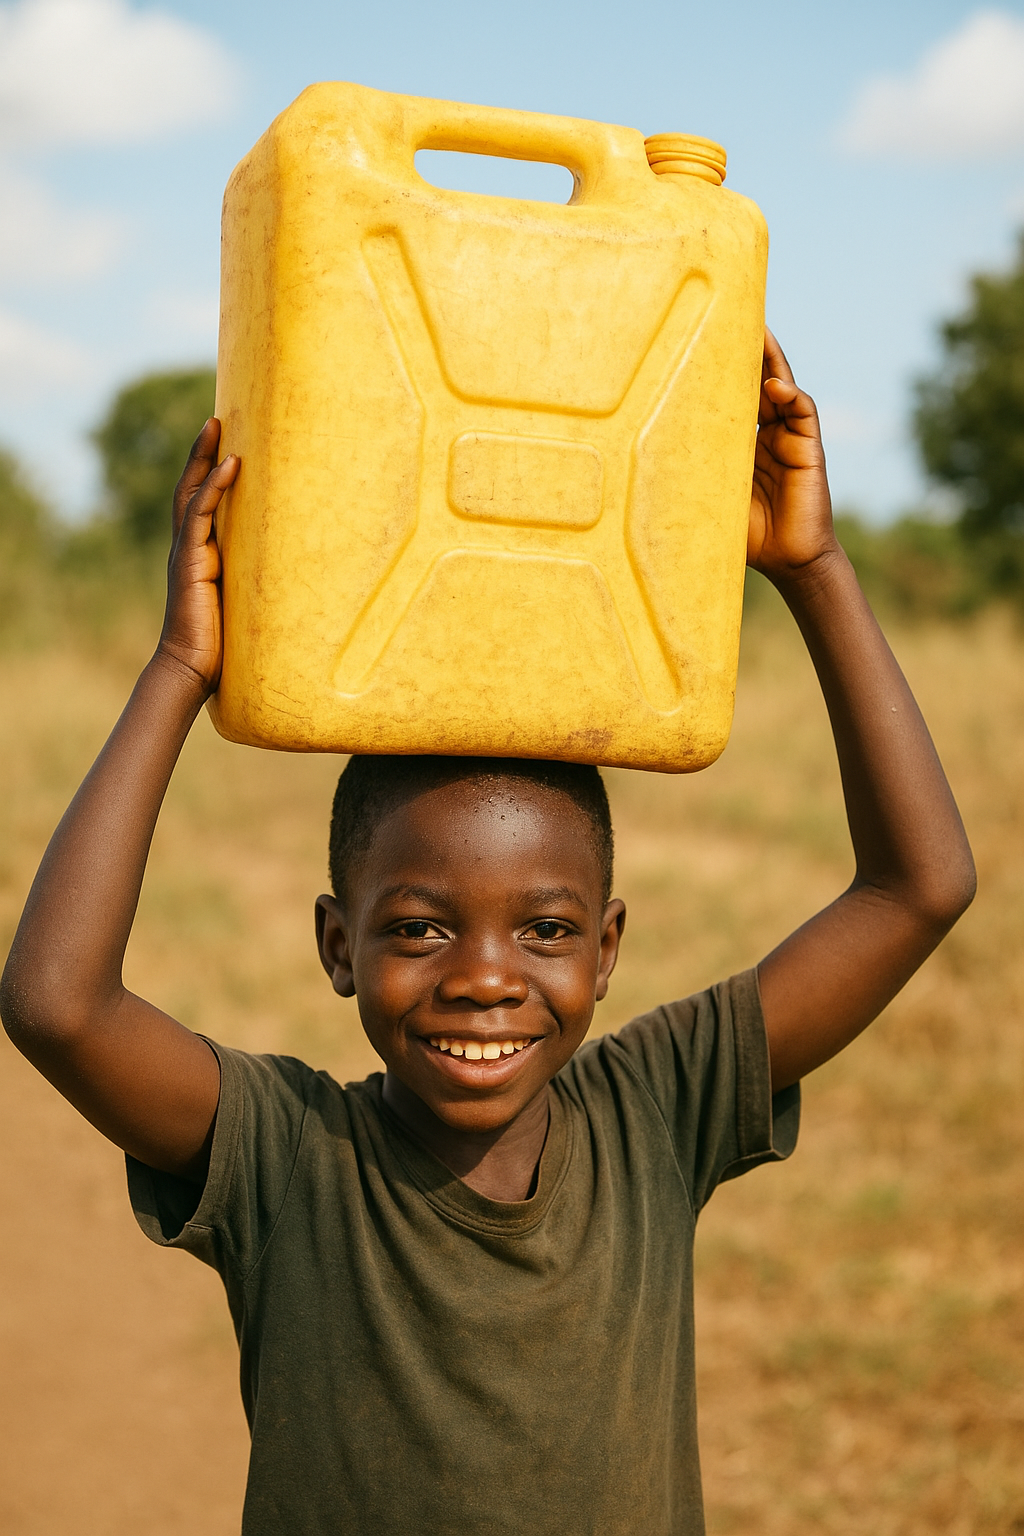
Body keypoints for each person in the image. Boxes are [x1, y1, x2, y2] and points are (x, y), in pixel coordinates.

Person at [0, 332, 975, 1536]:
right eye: (416, 928)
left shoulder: (657, 1112)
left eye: (546, 929)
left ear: (607, 949)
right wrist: (179, 668)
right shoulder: (289, 1159)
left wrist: (812, 564)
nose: (483, 979)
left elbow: (917, 886)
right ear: (334, 944)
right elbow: (57, 1004)